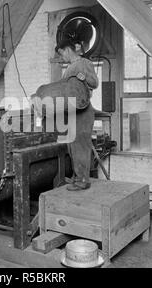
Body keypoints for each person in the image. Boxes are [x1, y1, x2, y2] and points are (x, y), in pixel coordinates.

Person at [55, 39, 99, 191]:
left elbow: (94, 83)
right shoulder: (68, 69)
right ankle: (77, 176)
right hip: (73, 111)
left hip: (83, 110)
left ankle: (82, 180)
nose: (62, 58)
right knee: (72, 146)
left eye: (62, 54)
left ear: (67, 49)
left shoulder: (83, 63)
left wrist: (83, 77)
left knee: (80, 145)